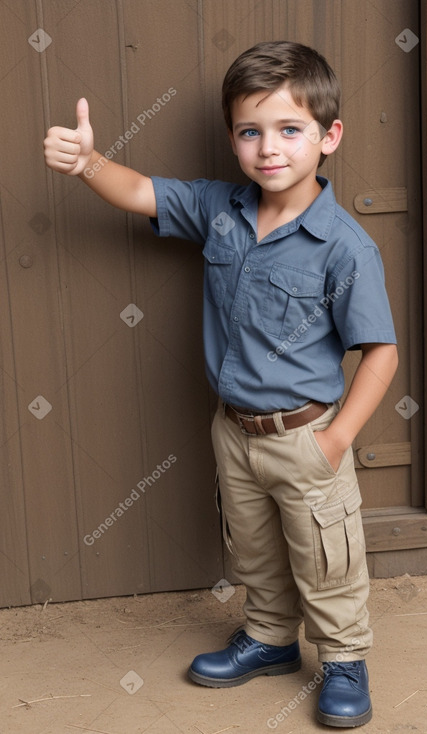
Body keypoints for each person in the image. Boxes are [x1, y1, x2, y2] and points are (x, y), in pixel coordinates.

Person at [44, 40, 398, 728]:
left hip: (305, 438)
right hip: (233, 430)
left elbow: (379, 353)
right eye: (250, 131)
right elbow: (141, 190)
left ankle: (344, 659)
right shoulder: (217, 209)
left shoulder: (344, 246)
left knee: (326, 558)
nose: (269, 148)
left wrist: (337, 440)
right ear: (232, 140)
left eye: (289, 129)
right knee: (253, 547)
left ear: (328, 136)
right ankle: (268, 640)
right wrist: (88, 162)